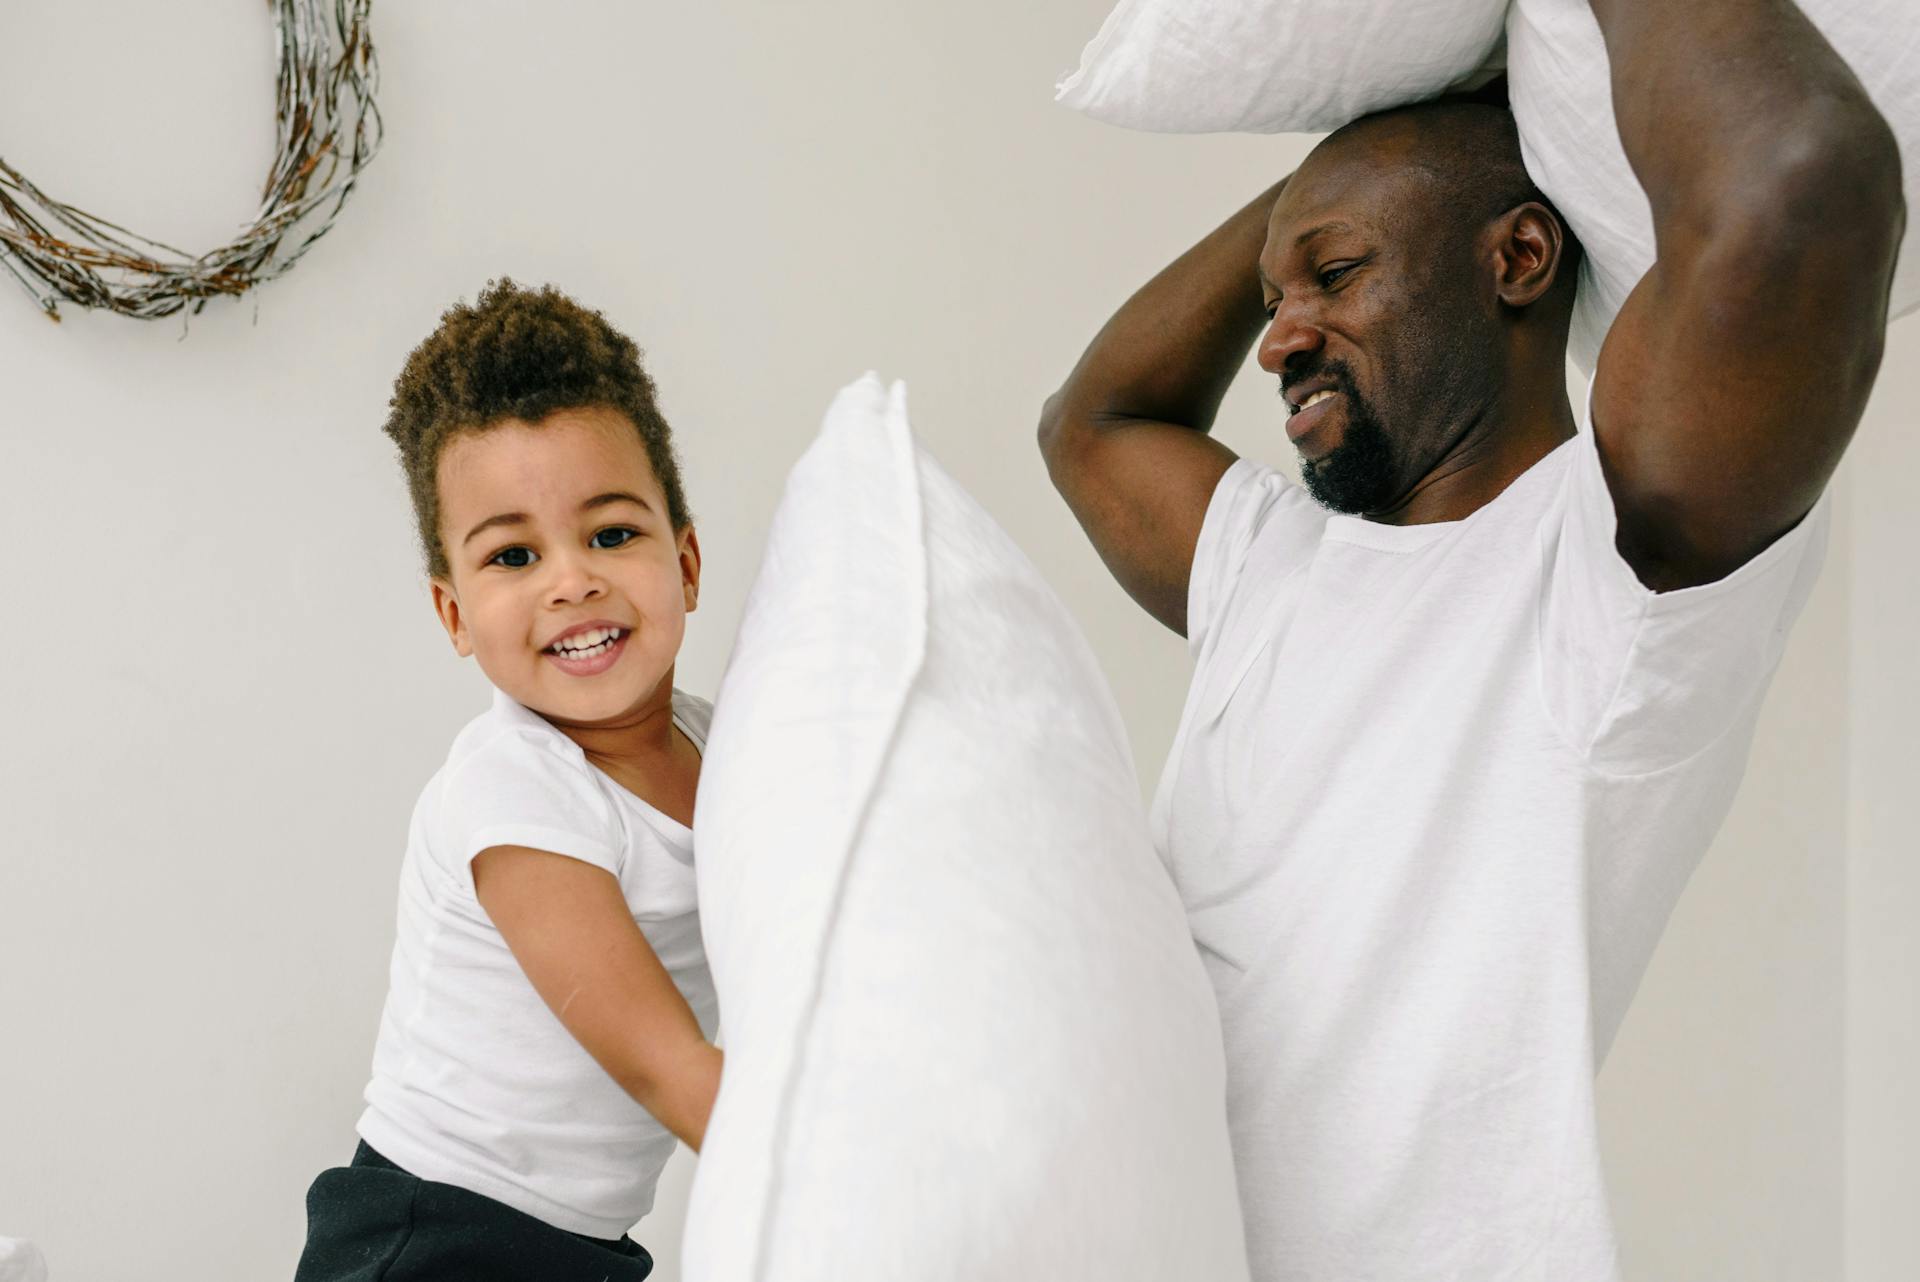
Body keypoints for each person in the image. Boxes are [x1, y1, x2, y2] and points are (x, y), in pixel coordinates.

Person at [1037, 1, 1903, 1277]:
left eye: (1335, 278)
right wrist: (1406, 127)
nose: (1276, 338)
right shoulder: (1271, 566)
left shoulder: (1615, 560)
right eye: (1276, 296)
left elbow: (1799, 189)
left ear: (1518, 260)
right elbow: (1092, 422)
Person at [294, 281, 721, 1282]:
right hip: (434, 1240)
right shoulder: (515, 794)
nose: (571, 579)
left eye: (611, 532)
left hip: (577, 1244)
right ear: (453, 613)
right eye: (514, 553)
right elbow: (663, 1063)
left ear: (687, 559)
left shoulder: (730, 750)